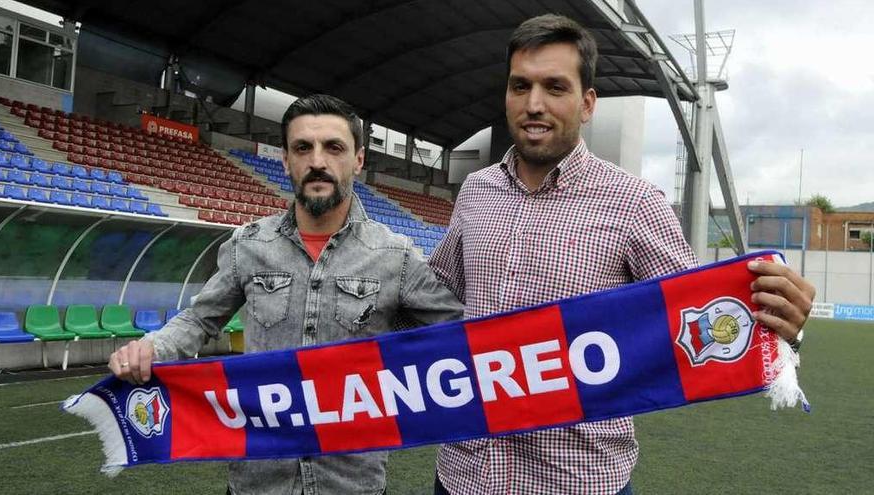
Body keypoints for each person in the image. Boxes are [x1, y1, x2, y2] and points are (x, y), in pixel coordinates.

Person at [427, 14, 815, 495]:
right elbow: (438, 297)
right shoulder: (476, 192)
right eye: (520, 85)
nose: (534, 104)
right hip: (463, 475)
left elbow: (699, 320)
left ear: (587, 103)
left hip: (576, 481)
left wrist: (784, 328)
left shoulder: (634, 203)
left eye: (555, 87)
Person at [109, 94, 464, 495]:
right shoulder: (248, 245)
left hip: (352, 483)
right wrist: (151, 348)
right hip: (257, 481)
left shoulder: (395, 255)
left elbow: (463, 334)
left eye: (334, 147)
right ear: (285, 160)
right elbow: (198, 319)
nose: (317, 161)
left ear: (359, 160)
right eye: (302, 148)